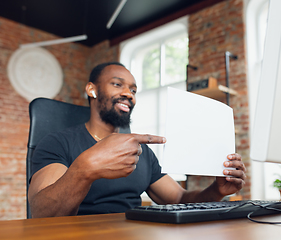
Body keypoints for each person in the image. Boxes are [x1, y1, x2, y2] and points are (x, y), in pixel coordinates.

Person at [28, 62, 246, 218]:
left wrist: (217, 191)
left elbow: (179, 199)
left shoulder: (140, 151)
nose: (129, 94)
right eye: (117, 84)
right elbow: (43, 213)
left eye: (133, 89)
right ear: (92, 90)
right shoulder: (57, 142)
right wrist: (86, 168)